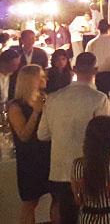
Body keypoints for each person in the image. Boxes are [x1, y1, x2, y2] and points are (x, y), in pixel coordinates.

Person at [37, 52, 110, 224]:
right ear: (96, 70)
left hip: (59, 166)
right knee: (88, 213)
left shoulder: (54, 98)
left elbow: (42, 134)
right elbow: (104, 136)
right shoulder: (99, 99)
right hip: (87, 166)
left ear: (75, 69)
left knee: (61, 210)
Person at [8, 65, 55, 224]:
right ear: (30, 80)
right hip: (29, 158)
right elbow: (23, 135)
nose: (45, 79)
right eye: (41, 76)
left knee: (57, 197)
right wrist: (35, 112)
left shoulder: (46, 98)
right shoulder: (16, 106)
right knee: (30, 202)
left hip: (48, 153)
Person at [86, 20, 110, 111]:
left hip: (99, 73)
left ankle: (103, 115)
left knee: (101, 97)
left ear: (98, 29)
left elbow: (88, 59)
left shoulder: (92, 43)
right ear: (109, 29)